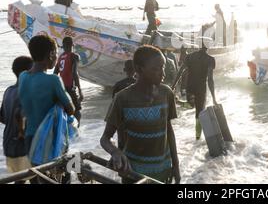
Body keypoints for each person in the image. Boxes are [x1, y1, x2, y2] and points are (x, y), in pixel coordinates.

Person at [100, 45, 180, 184]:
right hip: (133, 173)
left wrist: (176, 166)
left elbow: (169, 130)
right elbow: (105, 138)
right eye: (156, 69)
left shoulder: (166, 94)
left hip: (163, 170)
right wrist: (115, 152)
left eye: (163, 67)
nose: (163, 73)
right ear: (139, 69)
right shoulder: (122, 98)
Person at [19, 35, 75, 164]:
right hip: (48, 141)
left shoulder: (23, 77)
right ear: (50, 54)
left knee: (36, 177)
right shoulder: (53, 80)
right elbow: (71, 109)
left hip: (29, 139)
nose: (56, 57)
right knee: (60, 177)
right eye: (55, 53)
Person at [173, 43, 217, 140]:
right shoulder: (210, 59)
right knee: (199, 114)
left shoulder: (190, 57)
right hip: (201, 89)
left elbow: (180, 71)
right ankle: (197, 138)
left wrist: (173, 86)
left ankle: (178, 102)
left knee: (191, 105)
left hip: (190, 87)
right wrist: (214, 98)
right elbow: (210, 80)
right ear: (208, 47)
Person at [0, 56, 33, 181]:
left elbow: (2, 116)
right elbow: (20, 115)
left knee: (20, 179)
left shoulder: (8, 91)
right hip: (22, 145)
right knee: (36, 177)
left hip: (8, 144)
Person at [54, 37, 83, 127]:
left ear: (63, 46)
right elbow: (74, 73)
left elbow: (55, 74)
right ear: (72, 45)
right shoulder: (74, 56)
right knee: (77, 111)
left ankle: (67, 131)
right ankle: (77, 132)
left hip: (62, 89)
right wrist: (80, 89)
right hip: (70, 87)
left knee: (67, 111)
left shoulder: (60, 58)